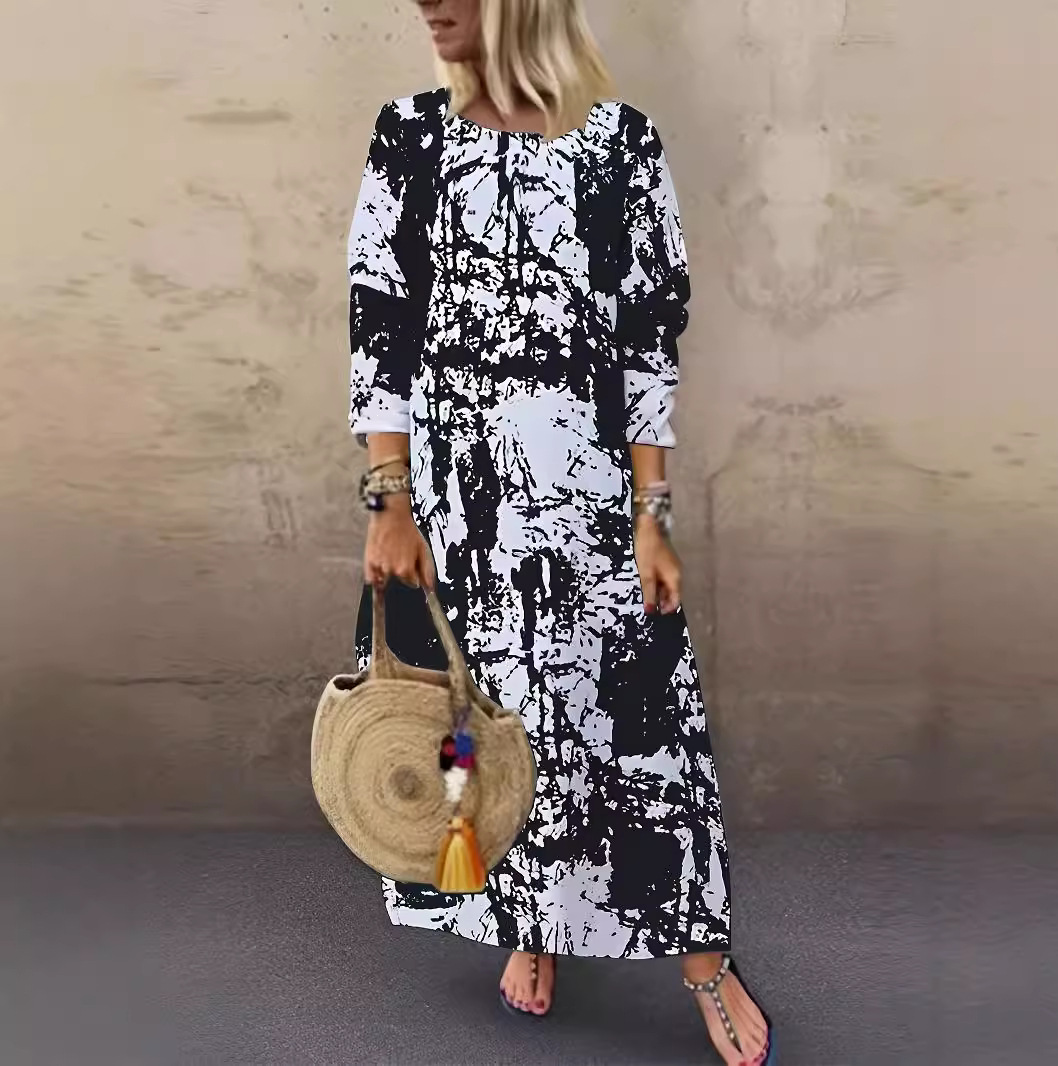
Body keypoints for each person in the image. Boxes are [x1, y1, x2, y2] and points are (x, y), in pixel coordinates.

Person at [346, 1, 775, 1063]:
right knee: (476, 724)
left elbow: (648, 345)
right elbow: (380, 322)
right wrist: (390, 500)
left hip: (587, 501)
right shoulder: (410, 135)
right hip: (458, 507)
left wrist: (651, 517)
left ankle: (704, 961)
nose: (426, 3)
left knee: (636, 731)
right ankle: (527, 921)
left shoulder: (620, 146)